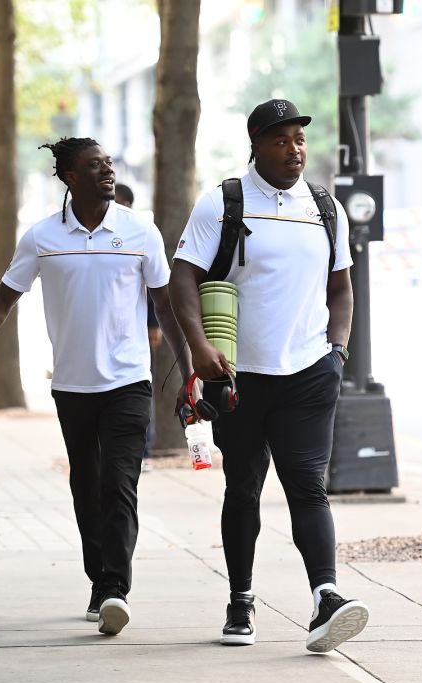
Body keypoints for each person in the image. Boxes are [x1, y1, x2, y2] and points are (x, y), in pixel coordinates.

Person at [0, 138, 189, 637]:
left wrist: (190, 371)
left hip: (128, 380)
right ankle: (98, 579)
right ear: (70, 178)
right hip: (73, 386)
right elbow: (2, 300)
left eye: (109, 165)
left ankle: (116, 588)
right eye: (94, 166)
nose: (107, 172)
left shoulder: (140, 230)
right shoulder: (43, 236)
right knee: (87, 486)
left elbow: (165, 305)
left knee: (119, 483)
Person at [169, 98, 370, 653]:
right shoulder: (224, 203)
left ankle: (326, 598)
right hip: (239, 375)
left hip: (308, 372)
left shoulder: (326, 208)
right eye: (281, 139)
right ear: (256, 143)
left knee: (309, 486)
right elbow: (181, 280)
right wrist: (200, 348)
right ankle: (241, 598)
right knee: (244, 488)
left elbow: (341, 288)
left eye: (300, 139)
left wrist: (337, 351)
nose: (294, 149)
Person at [114, 183, 162, 470]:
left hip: (138, 330)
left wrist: (153, 323)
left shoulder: (139, 232)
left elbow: (155, 287)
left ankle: (144, 448)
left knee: (142, 389)